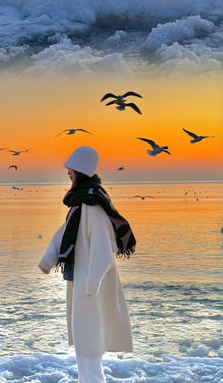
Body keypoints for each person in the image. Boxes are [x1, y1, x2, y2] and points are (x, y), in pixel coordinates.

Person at [38, 146, 135, 383]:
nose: (68, 173)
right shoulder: (81, 203)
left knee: (89, 339)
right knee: (85, 338)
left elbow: (104, 249)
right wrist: (48, 260)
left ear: (81, 169)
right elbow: (65, 233)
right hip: (82, 278)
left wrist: (92, 283)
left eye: (71, 169)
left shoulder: (92, 206)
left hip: (92, 282)